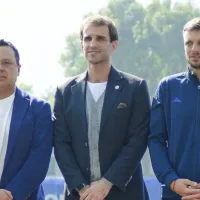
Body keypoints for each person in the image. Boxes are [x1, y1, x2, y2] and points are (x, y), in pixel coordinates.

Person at [54, 15, 150, 200]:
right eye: (87, 38)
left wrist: (107, 183)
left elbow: (137, 141)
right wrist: (82, 188)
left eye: (100, 38)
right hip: (79, 195)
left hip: (125, 193)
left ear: (113, 45)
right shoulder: (65, 91)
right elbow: (61, 144)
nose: (92, 43)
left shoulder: (134, 88)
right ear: (81, 44)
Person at [148, 17, 200, 200]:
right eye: (189, 43)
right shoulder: (167, 87)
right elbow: (155, 140)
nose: (195, 49)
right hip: (175, 194)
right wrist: (171, 180)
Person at [0, 39, 53, 200]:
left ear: (18, 69)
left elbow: (39, 159)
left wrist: (10, 195)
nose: (1, 68)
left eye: (7, 62)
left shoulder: (38, 109)